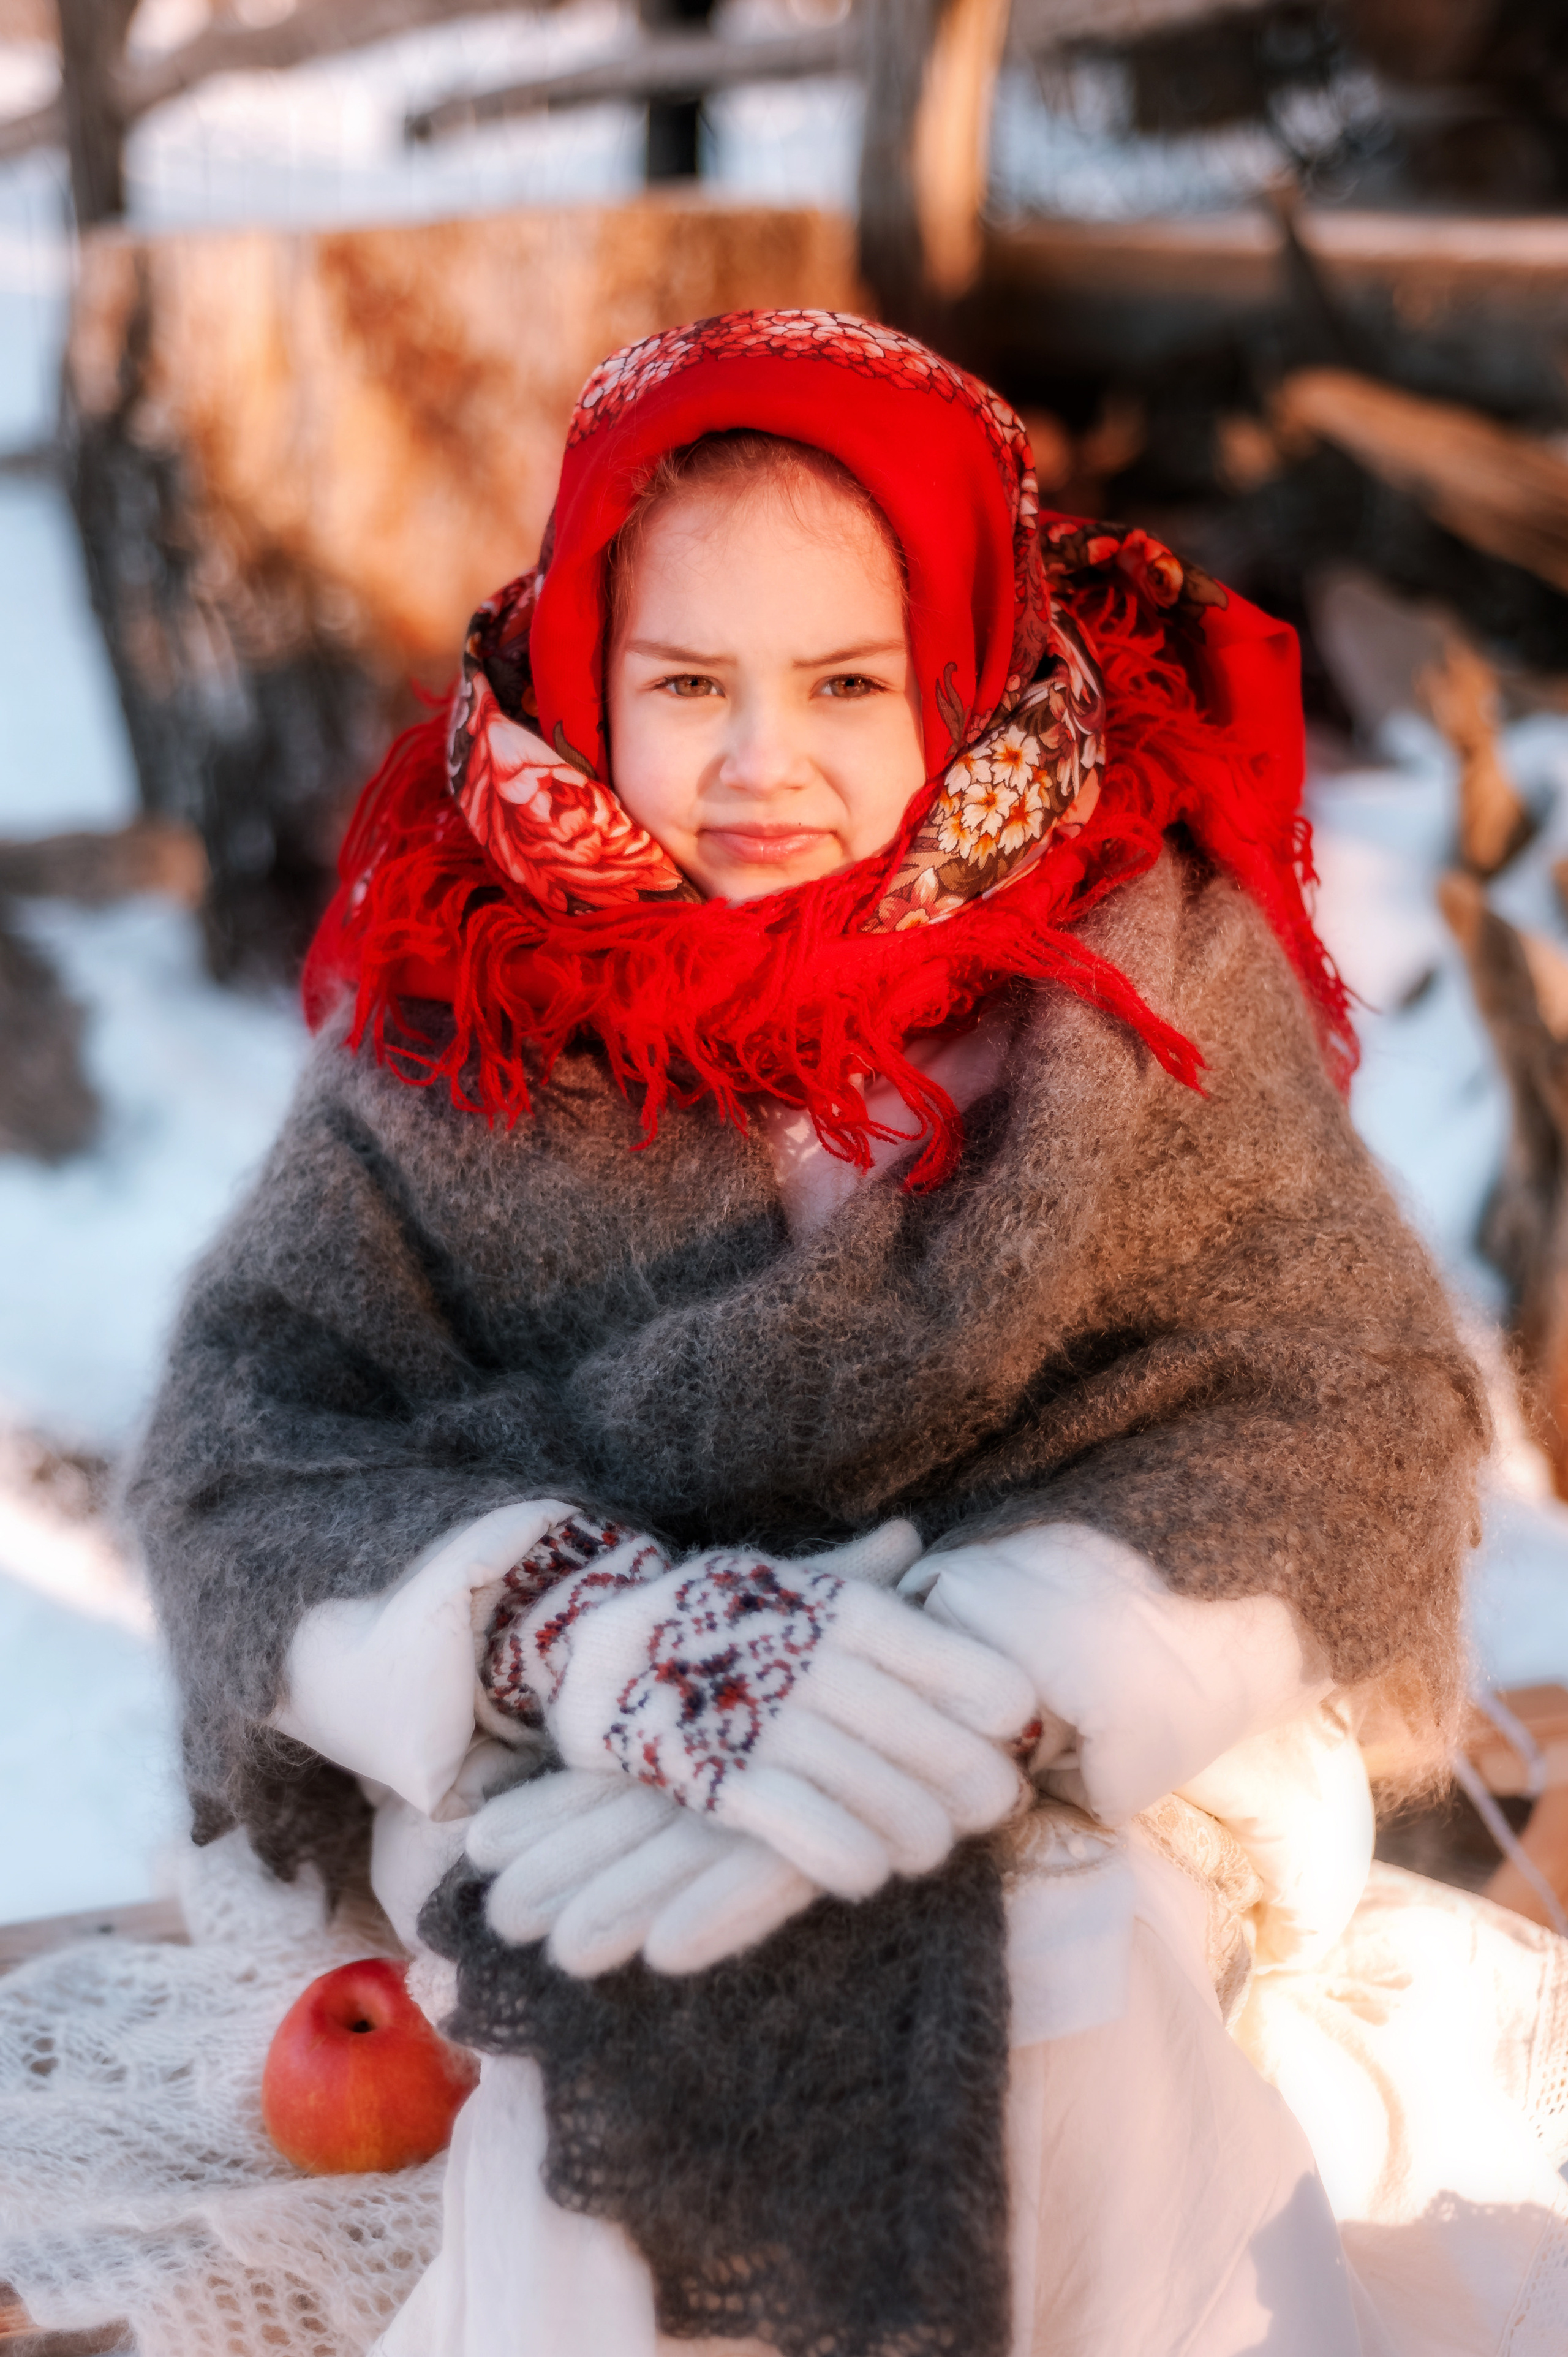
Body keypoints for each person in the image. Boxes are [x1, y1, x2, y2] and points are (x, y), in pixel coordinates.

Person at [127, 311, 1567, 2357]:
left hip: (1064, 1777)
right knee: (592, 2014)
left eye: (843, 684)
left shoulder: (1130, 987)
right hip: (576, 1771)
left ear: (963, 672)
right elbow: (243, 1451)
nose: (757, 761)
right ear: (582, 674)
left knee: (1061, 1971)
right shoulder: (472, 1016)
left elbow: (1333, 1400)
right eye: (687, 683)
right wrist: (572, 1633)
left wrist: (1015, 1662)